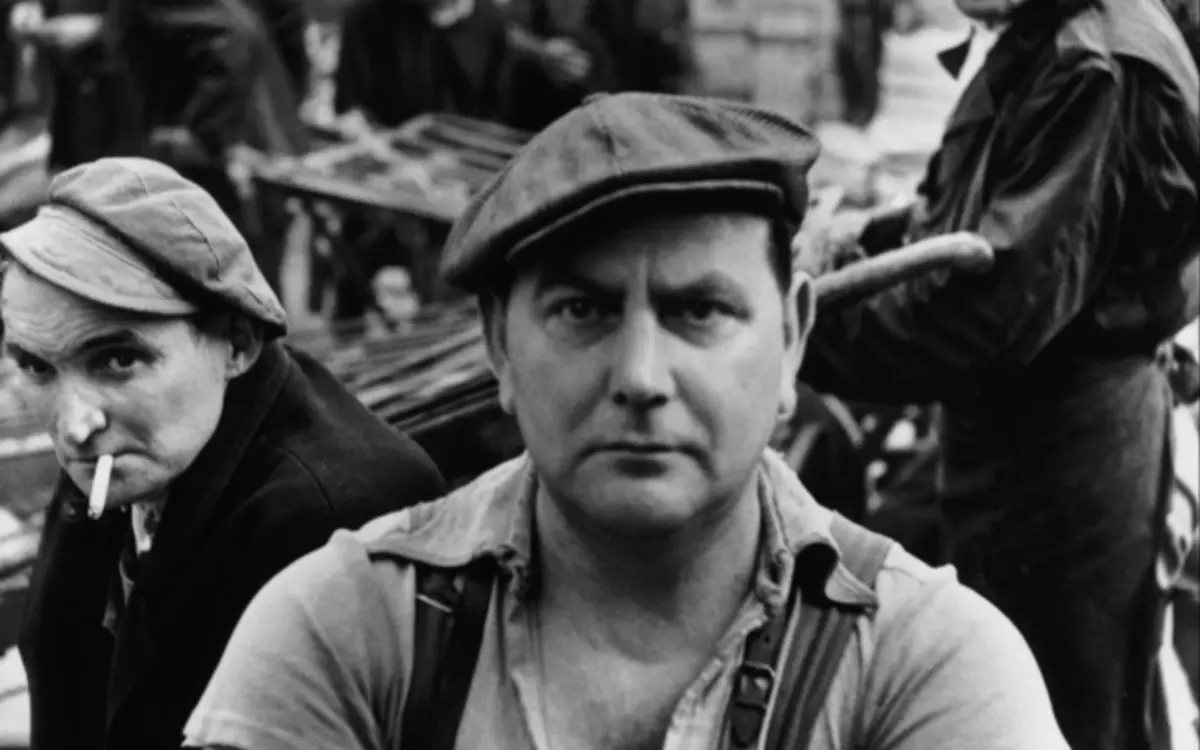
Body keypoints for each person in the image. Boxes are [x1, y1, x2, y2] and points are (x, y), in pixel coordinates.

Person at [183, 93, 1066, 750]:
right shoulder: (350, 633)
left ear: (792, 336)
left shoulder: (925, 664)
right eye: (582, 311)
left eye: (700, 312)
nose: (641, 377)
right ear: (499, 345)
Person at [800, 0, 1200, 747]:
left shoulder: (1097, 66)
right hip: (1012, 444)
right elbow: (951, 213)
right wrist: (854, 239)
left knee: (1059, 715)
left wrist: (789, 333)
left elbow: (985, 316)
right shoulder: (1038, 37)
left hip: (1070, 464)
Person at [0, 157, 448, 750]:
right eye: (35, 365)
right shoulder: (129, 442)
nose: (75, 425)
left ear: (235, 342)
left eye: (118, 360)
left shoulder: (331, 521)